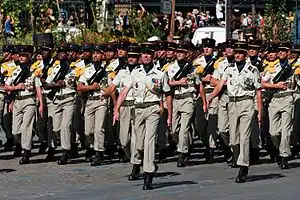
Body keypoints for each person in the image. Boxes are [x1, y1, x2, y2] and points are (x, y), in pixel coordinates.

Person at [113, 43, 172, 190]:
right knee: (138, 144)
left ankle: (148, 175)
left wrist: (168, 113)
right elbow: (124, 91)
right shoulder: (135, 73)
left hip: (153, 109)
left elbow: (167, 93)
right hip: (138, 109)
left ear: (153, 57)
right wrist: (116, 109)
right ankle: (147, 162)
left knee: (149, 141)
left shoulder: (160, 74)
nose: (145, 57)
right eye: (143, 54)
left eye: (148, 54)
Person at [208, 42, 262, 183]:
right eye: (236, 52)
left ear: (244, 55)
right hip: (232, 103)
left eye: (240, 53)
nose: (237, 55)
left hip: (246, 102)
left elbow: (258, 90)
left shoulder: (252, 69)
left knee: (244, 136)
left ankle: (243, 166)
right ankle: (238, 157)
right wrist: (210, 97)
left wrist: (259, 110)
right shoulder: (229, 68)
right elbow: (220, 84)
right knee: (233, 139)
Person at [166, 42, 206, 167]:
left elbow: (199, 86)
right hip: (175, 98)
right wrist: (178, 82)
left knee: (184, 128)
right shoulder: (170, 67)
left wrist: (204, 102)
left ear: (187, 54)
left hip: (188, 98)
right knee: (173, 130)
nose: (179, 54)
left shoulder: (192, 68)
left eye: (182, 52)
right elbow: (167, 84)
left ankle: (182, 153)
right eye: (177, 52)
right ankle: (186, 144)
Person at [4, 45, 44, 164]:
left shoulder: (32, 72)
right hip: (17, 100)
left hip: (29, 101)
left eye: (24, 56)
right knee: (16, 131)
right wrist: (16, 88)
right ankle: (24, 144)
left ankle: (26, 152)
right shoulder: (15, 71)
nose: (21, 58)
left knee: (26, 127)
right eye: (20, 55)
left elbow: (38, 89)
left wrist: (41, 104)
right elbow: (6, 87)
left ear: (29, 57)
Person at [261, 42, 294, 169]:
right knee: (273, 132)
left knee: (286, 130)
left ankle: (284, 156)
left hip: (287, 98)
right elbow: (262, 83)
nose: (279, 53)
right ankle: (280, 149)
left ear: (288, 53)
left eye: (282, 51)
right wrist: (275, 86)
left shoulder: (293, 66)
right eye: (278, 51)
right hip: (274, 99)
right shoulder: (270, 67)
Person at [43, 44, 76, 165]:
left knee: (65, 126)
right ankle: (67, 145)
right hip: (56, 100)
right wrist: (55, 85)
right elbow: (46, 85)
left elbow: (69, 83)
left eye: (65, 52)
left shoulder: (72, 69)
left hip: (68, 100)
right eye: (60, 52)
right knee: (56, 128)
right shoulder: (55, 69)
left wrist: (59, 84)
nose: (62, 54)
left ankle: (65, 152)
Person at [77, 43, 108, 166]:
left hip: (101, 100)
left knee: (99, 128)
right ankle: (93, 146)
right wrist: (91, 87)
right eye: (94, 53)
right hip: (90, 100)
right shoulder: (87, 69)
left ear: (103, 55)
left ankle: (99, 152)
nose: (95, 55)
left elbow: (111, 87)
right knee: (88, 131)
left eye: (98, 53)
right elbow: (79, 87)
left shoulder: (107, 70)